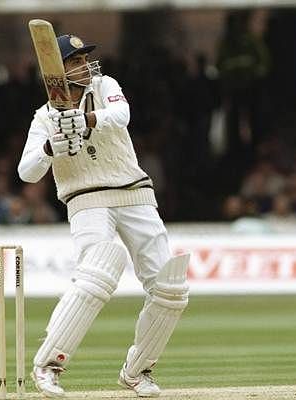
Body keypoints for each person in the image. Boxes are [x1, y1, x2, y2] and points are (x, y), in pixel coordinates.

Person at [17, 34, 189, 398]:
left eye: (83, 59)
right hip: (86, 199)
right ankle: (48, 366)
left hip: (134, 191)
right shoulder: (44, 118)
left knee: (170, 288)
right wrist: (51, 147)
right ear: (55, 72)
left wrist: (84, 121)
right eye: (74, 61)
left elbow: (121, 115)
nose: (84, 66)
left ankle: (138, 372)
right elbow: (26, 172)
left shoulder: (104, 85)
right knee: (96, 275)